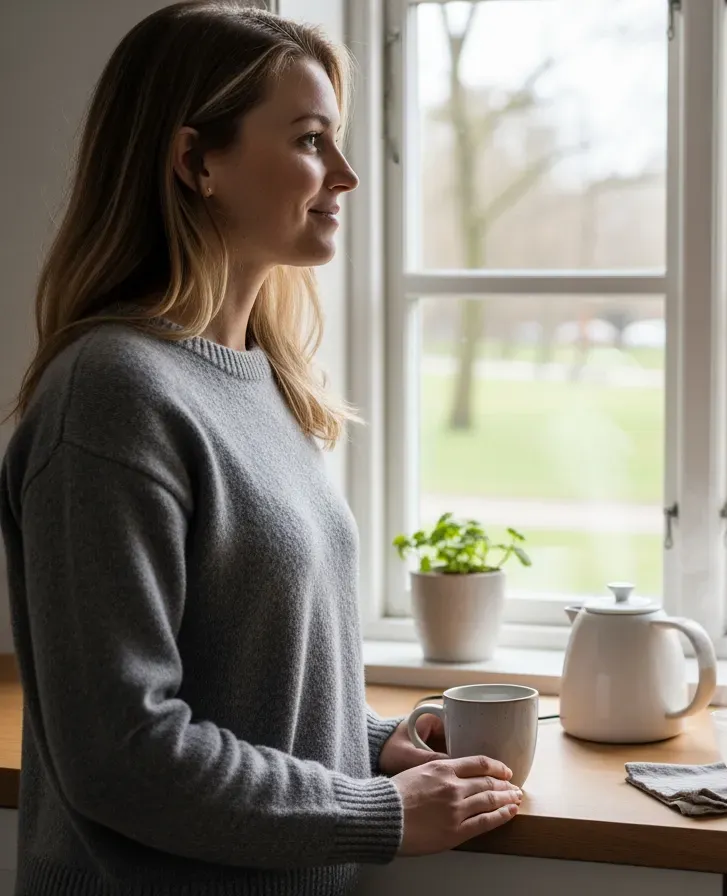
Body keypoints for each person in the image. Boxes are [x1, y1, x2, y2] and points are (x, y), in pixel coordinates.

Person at [0, 3, 522, 893]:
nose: (347, 175)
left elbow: (245, 670)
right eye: (313, 140)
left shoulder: (256, 379)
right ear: (196, 160)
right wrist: (379, 812)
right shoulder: (113, 395)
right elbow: (125, 752)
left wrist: (366, 742)